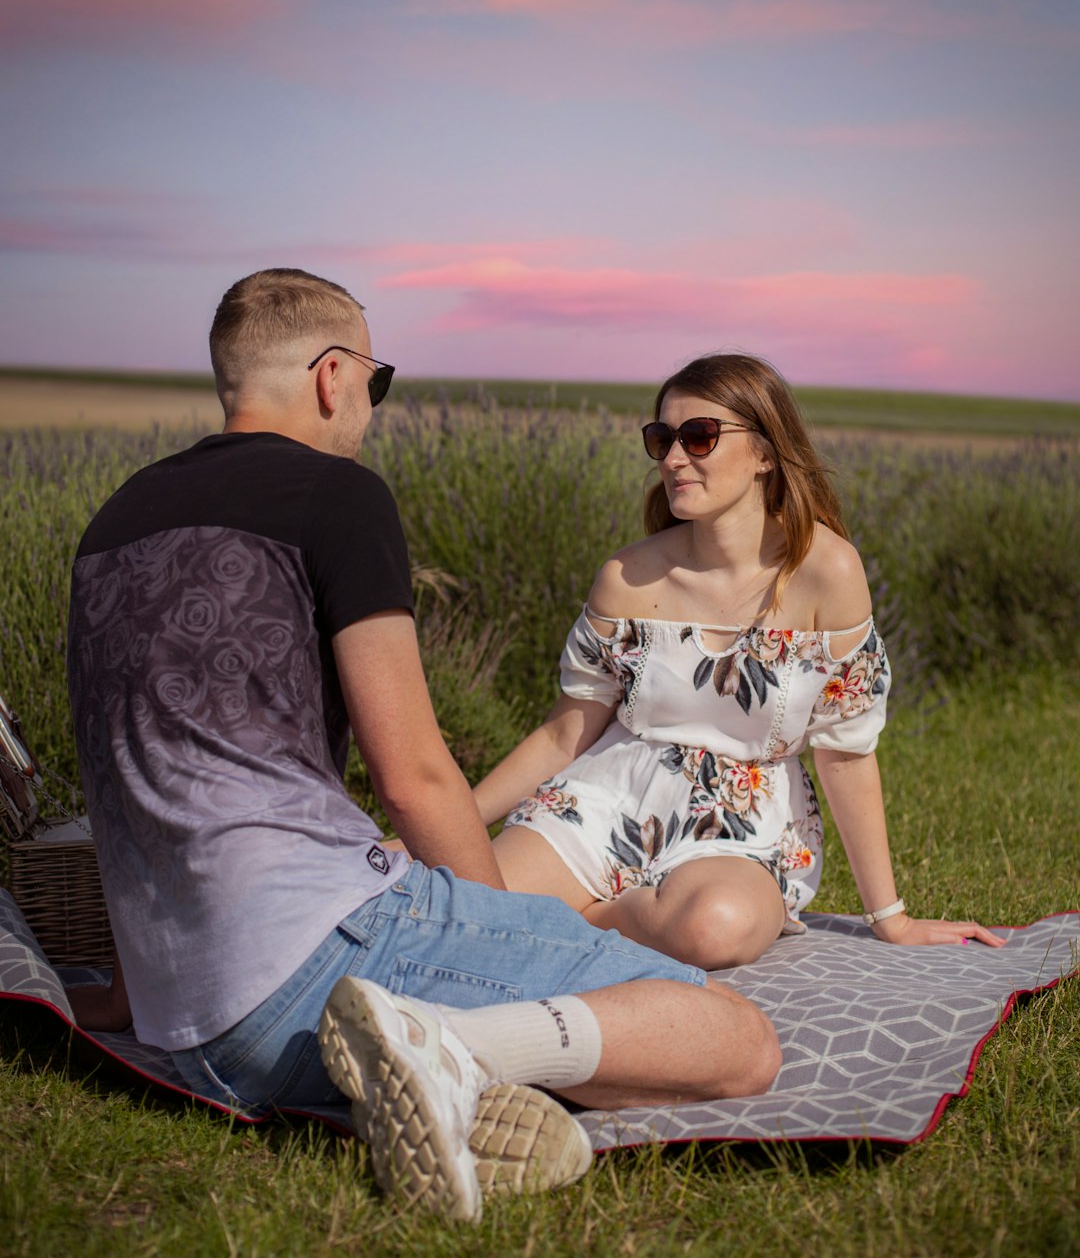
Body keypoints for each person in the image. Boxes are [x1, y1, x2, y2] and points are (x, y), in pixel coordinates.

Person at [64, 271, 780, 1224]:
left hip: (188, 1027)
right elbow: (414, 776)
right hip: (310, 958)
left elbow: (129, 780)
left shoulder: (114, 519)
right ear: (331, 376)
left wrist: (121, 992)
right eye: (375, 378)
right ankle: (455, 1053)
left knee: (560, 1007)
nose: (370, 405)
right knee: (731, 1038)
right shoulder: (336, 494)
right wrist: (506, 932)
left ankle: (448, 1072)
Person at [475, 353, 1005, 972]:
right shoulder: (627, 577)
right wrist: (440, 824)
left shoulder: (827, 573)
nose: (674, 458)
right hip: (606, 798)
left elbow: (845, 753)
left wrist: (891, 917)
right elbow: (565, 732)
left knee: (713, 932)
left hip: (741, 821)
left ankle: (576, 923)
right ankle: (585, 922)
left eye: (699, 437)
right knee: (474, 908)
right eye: (661, 438)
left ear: (764, 453)